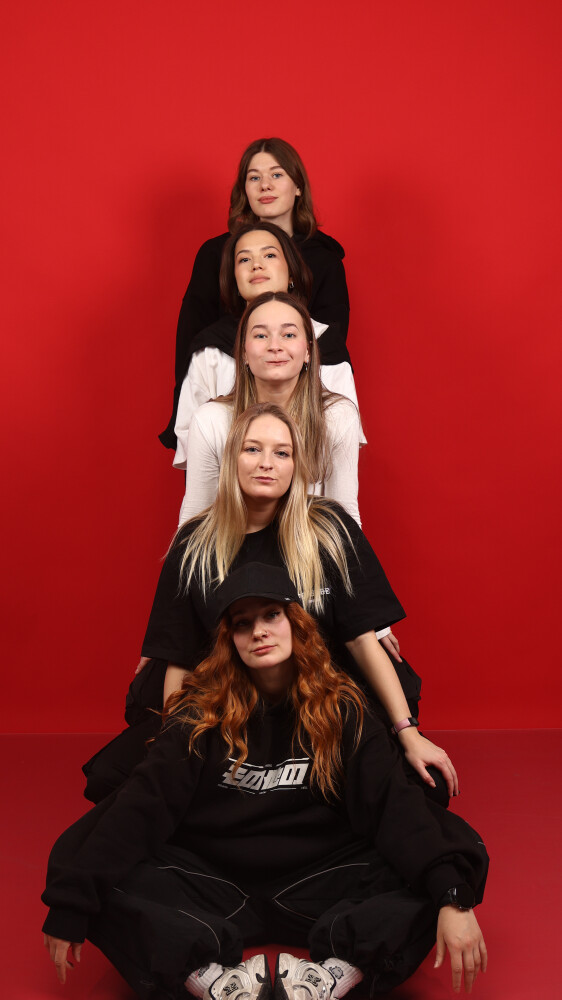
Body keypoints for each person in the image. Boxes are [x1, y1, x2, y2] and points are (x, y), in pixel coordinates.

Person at [44, 564, 488, 999]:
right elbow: (141, 808)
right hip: (213, 888)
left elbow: (394, 807)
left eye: (271, 615)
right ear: (229, 640)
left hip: (318, 885)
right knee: (83, 864)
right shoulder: (198, 715)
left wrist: (452, 897)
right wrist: (73, 903)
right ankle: (214, 981)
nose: (258, 632)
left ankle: (327, 977)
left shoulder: (342, 709)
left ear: (296, 624)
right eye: (242, 623)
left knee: (453, 859)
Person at [83, 403, 457, 805]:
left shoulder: (330, 529)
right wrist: (171, 749)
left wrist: (408, 732)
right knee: (114, 781)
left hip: (318, 703)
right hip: (230, 706)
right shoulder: (194, 543)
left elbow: (362, 641)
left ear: (296, 465)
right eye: (252, 449)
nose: (267, 463)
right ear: (232, 459)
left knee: (422, 787)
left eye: (282, 452)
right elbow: (180, 658)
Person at [160, 137, 350, 450]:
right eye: (254, 177)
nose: (265, 185)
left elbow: (329, 343)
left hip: (303, 406)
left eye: (276, 174)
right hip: (225, 385)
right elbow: (192, 336)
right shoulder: (216, 254)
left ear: (298, 186)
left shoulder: (324, 260)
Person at [173, 222, 363, 477]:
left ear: (292, 272)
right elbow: (194, 448)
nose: (256, 265)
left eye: (270, 255)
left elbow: (342, 449)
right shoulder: (209, 352)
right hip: (229, 492)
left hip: (311, 494)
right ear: (233, 279)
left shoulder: (326, 343)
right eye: (244, 259)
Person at [178, 291, 363, 525]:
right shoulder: (210, 420)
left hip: (311, 547)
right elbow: (194, 519)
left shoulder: (338, 416)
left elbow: (345, 519)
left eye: (288, 334)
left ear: (308, 351)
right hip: (232, 547)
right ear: (244, 353)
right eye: (261, 335)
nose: (275, 346)